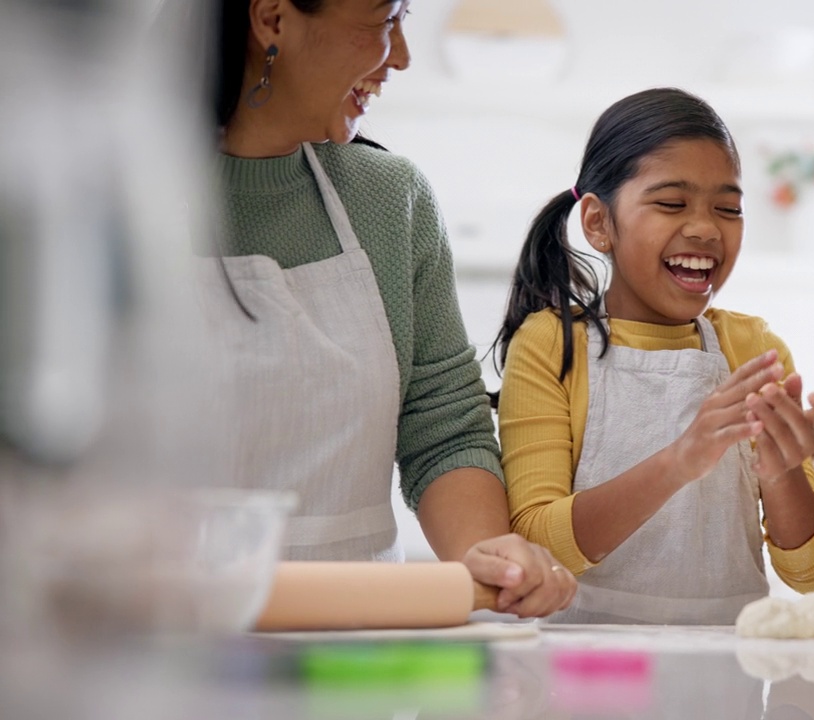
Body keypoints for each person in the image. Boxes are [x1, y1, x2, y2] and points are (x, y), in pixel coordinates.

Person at [205, 0, 575, 617]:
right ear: (272, 20)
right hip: (164, 646)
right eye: (385, 20)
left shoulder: (389, 198)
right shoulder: (119, 201)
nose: (400, 56)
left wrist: (490, 555)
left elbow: (442, 426)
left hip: (355, 649)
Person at [494, 88, 814, 624]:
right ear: (598, 223)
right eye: (672, 203)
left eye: (728, 208)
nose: (705, 228)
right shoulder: (549, 344)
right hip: (589, 676)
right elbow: (538, 540)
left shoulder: (756, 350)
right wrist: (679, 462)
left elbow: (809, 572)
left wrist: (783, 472)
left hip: (726, 681)